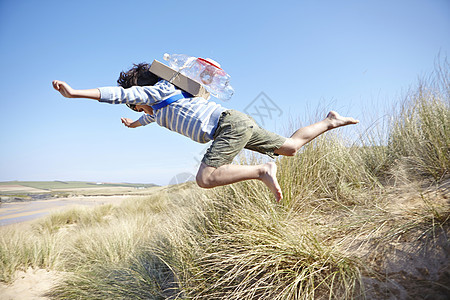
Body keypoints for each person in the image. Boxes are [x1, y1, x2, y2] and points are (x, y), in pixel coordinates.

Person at [52, 63, 359, 202]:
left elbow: (120, 95)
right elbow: (148, 119)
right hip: (236, 122)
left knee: (205, 178)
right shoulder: (159, 112)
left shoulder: (157, 92)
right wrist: (133, 124)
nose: (140, 109)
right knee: (291, 147)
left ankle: (263, 169)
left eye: (138, 105)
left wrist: (76, 93)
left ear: (140, 94)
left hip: (226, 126)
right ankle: (331, 121)